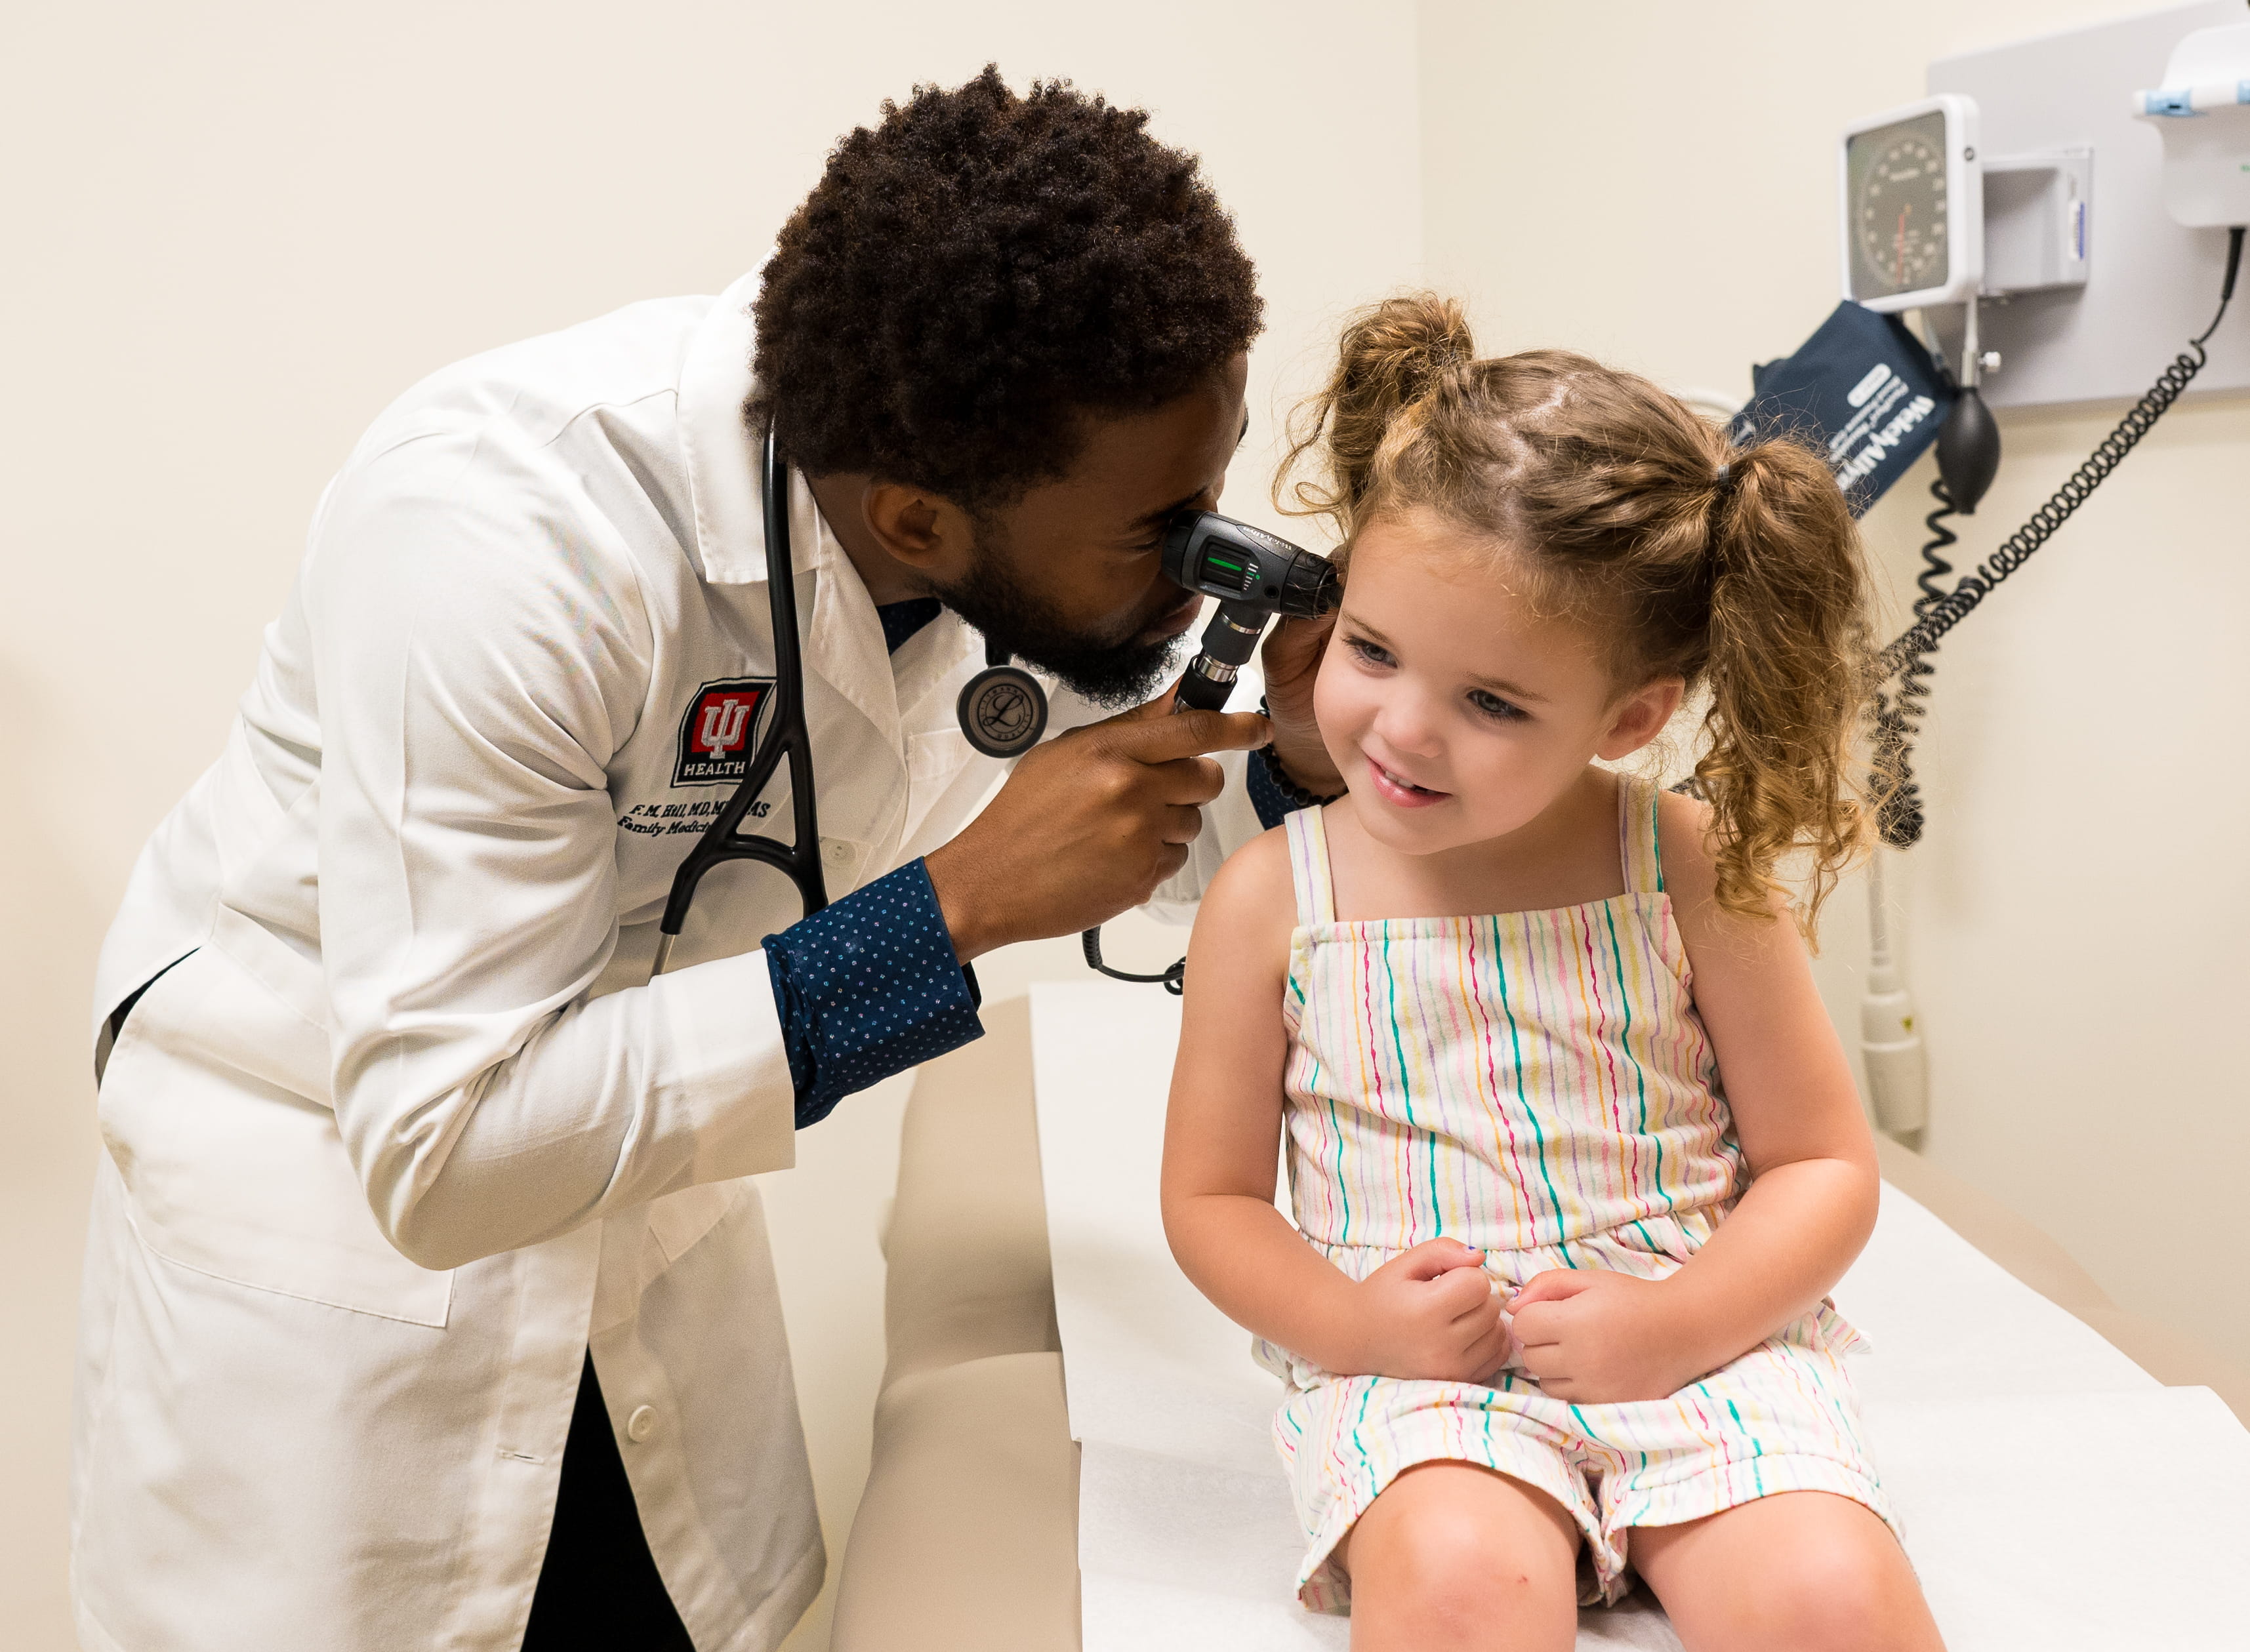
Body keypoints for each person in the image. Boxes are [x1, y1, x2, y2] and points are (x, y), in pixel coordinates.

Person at [74, 70, 1343, 1652]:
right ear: (916, 520)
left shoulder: (968, 483)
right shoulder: (503, 540)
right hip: (346, 1258)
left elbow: (1089, 832)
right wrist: (948, 915)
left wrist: (1296, 761)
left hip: (634, 1246)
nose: (1205, 558)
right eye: (1161, 528)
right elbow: (450, 1150)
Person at [1161, 294, 1948, 1651]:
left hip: (1698, 1342)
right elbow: (1211, 1200)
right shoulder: (1270, 897)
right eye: (1370, 649)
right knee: (1460, 1580)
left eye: (1491, 702)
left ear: (1629, 717)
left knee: (1829, 1597)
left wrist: (1677, 1323)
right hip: (1427, 1375)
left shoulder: (1683, 862)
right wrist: (1352, 1326)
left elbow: (1821, 1165)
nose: (1402, 728)